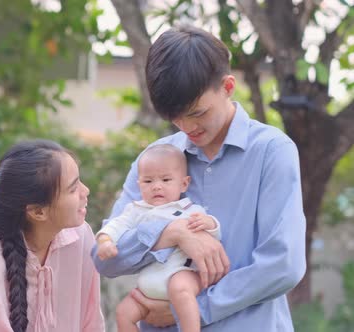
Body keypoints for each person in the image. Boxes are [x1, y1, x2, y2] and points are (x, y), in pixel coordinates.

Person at [92, 25, 306, 331]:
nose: (185, 127)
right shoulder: (155, 160)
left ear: (228, 87)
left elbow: (282, 265)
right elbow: (105, 259)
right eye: (175, 117)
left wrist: (193, 310)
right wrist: (171, 234)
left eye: (197, 112)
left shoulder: (272, 151)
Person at [0, 139, 104, 332]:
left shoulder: (81, 236)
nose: (86, 191)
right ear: (38, 212)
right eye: (73, 188)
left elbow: (91, 323)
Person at [96, 144, 220, 332]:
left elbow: (212, 238)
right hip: (148, 285)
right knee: (123, 312)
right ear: (139, 184)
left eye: (166, 179)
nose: (157, 186)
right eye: (148, 181)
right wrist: (105, 240)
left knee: (181, 290)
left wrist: (210, 223)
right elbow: (115, 225)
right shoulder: (136, 210)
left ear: (184, 183)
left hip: (181, 273)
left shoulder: (189, 209)